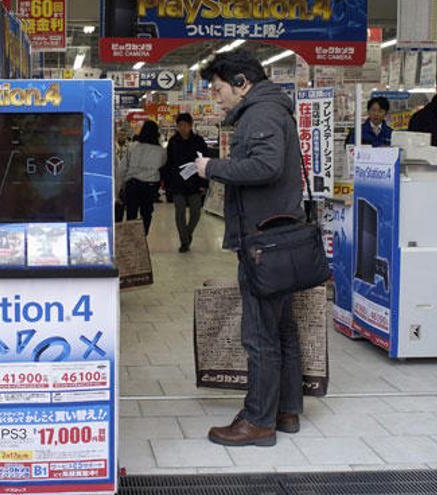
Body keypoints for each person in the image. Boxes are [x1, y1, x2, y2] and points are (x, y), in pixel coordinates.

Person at [193, 51, 305, 448]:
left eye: (219, 89)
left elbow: (266, 167)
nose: (217, 98)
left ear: (241, 83)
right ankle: (285, 410)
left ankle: (258, 421)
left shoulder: (260, 114)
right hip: (279, 235)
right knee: (282, 328)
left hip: (263, 241)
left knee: (259, 333)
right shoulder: (273, 110)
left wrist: (214, 168)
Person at [164, 113, 209, 252]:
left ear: (191, 126)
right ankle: (184, 242)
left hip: (195, 182)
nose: (183, 128)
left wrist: (204, 183)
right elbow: (169, 163)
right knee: (180, 213)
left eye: (185, 125)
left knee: (196, 212)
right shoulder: (173, 142)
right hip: (178, 183)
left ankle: (187, 233)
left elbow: (205, 162)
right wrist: (167, 183)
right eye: (180, 125)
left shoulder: (199, 141)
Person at [117, 120, 166, 235]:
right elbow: (162, 167)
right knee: (147, 213)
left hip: (132, 185)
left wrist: (118, 188)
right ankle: (143, 236)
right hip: (150, 186)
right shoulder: (161, 151)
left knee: (131, 213)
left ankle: (132, 240)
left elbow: (122, 168)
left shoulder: (132, 147)